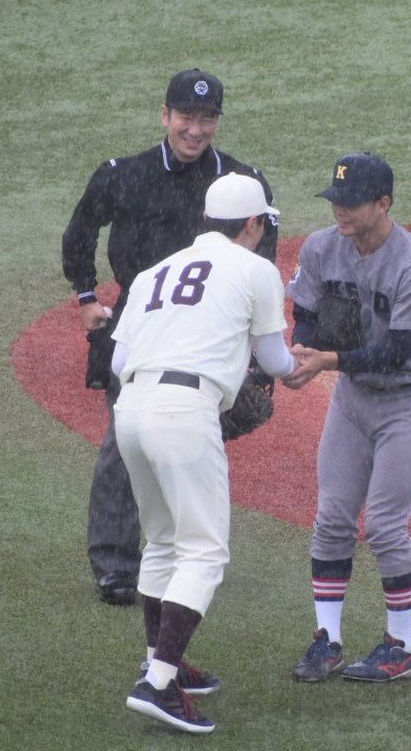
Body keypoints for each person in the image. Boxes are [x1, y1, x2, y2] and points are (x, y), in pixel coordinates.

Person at [61, 69, 278, 605]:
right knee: (123, 444)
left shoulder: (240, 183)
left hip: (209, 338)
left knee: (184, 437)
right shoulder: (123, 174)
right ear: (165, 115)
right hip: (139, 329)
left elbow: (261, 261)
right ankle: (117, 565)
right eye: (186, 116)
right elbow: (79, 233)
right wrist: (86, 296)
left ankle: (183, 548)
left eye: (207, 118)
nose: (195, 129)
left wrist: (250, 352)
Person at [113, 173, 297, 733]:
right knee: (204, 552)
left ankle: (161, 664)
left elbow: (118, 363)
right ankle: (156, 684)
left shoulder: (154, 272)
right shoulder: (256, 270)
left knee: (163, 541)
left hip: (130, 410)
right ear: (254, 223)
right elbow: (276, 361)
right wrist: (300, 366)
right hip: (185, 412)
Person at [283, 152, 411, 683]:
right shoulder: (321, 247)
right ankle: (327, 639)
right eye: (336, 199)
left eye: (352, 202)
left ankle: (402, 646)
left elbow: (398, 353)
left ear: (383, 204)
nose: (341, 210)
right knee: (332, 517)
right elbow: (305, 311)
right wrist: (301, 350)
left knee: (383, 523)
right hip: (354, 398)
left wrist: (326, 361)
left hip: (410, 400)